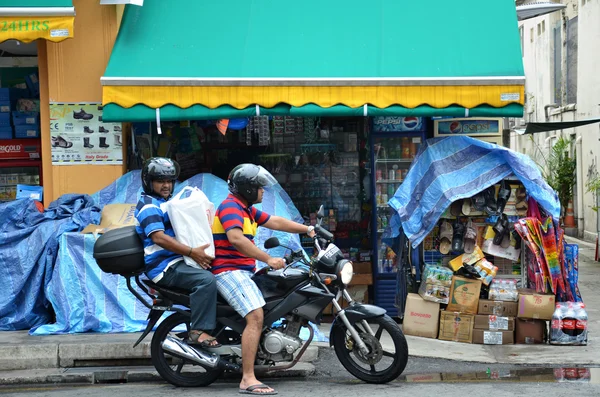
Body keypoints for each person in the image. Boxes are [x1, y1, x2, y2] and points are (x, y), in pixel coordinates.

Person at [212, 163, 316, 395]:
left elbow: (275, 222)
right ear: (247, 189)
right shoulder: (231, 207)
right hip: (228, 271)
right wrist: (268, 259)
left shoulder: (246, 209)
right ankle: (247, 378)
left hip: (244, 270)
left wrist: (306, 229)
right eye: (259, 187)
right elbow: (236, 239)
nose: (262, 191)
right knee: (256, 315)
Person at [135, 157, 220, 348]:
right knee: (206, 280)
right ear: (149, 182)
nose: (166, 185)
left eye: (169, 181)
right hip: (164, 267)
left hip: (176, 261)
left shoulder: (166, 202)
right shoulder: (149, 205)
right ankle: (198, 331)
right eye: (160, 181)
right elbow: (158, 237)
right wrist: (192, 252)